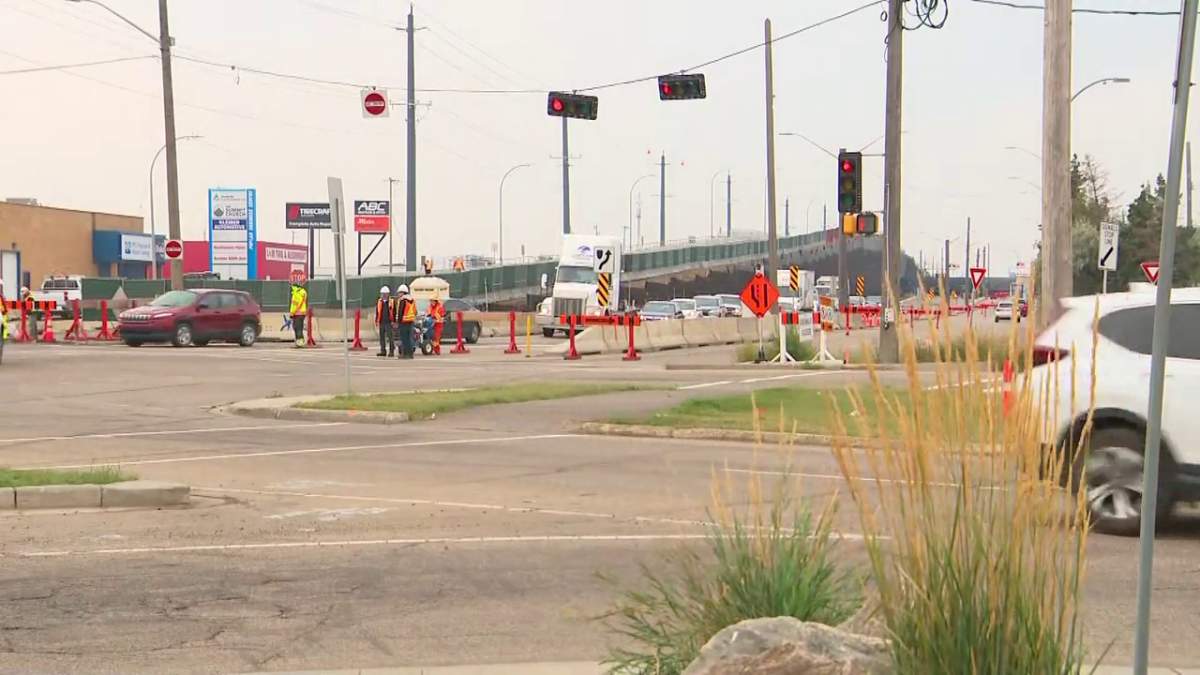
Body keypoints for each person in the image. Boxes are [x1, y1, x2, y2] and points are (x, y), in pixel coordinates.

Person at [395, 284, 417, 359]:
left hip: (403, 322)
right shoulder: (412, 300)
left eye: (399, 293)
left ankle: (404, 354)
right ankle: (410, 354)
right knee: (409, 338)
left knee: (404, 339)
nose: (398, 294)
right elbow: (415, 311)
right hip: (411, 321)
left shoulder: (402, 300)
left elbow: (400, 312)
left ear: (402, 292)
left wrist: (398, 322)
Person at [374, 285, 396, 357]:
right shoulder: (379, 302)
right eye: (382, 294)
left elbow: (394, 311)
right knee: (382, 338)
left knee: (390, 338)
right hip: (381, 322)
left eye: (385, 294)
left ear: (388, 294)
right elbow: (377, 311)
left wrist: (394, 321)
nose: (383, 295)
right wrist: (376, 320)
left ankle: (391, 351)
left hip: (389, 322)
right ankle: (383, 351)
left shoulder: (392, 302)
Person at [289, 280, 308, 348]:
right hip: (302, 313)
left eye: (291, 286)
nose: (291, 287)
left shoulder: (296, 293)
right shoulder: (303, 292)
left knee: (297, 328)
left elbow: (295, 305)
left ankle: (299, 342)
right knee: (299, 327)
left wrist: (292, 313)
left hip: (297, 313)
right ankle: (299, 342)